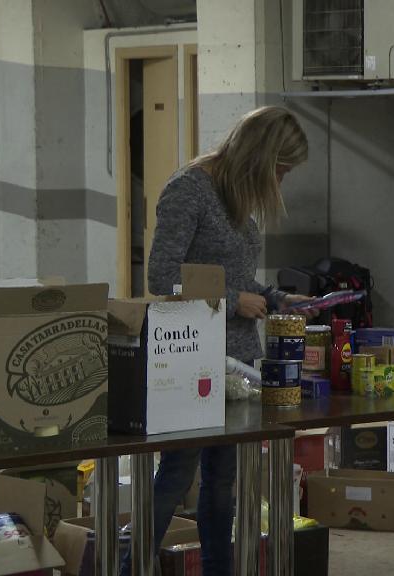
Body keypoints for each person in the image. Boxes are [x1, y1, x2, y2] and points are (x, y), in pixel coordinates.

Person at [119, 106, 311, 576]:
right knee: (176, 475)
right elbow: (163, 277)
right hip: (189, 358)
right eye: (281, 170)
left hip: (237, 363)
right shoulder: (190, 189)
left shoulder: (236, 196)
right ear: (261, 158)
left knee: (223, 482)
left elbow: (238, 279)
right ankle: (128, 569)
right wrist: (233, 299)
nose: (282, 182)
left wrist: (275, 297)